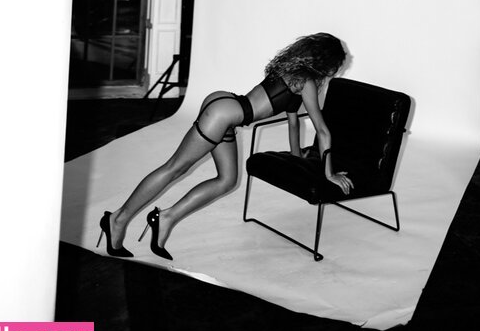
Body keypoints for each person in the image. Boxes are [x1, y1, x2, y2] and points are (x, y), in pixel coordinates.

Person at [98, 32, 351, 260]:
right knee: (174, 168)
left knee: (227, 180)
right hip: (224, 114)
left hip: (226, 107)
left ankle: (165, 218)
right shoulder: (306, 82)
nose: (333, 72)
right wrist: (329, 174)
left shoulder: (291, 71)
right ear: (325, 62)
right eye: (334, 67)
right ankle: (117, 219)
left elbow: (293, 123)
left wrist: (296, 157)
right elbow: (322, 130)